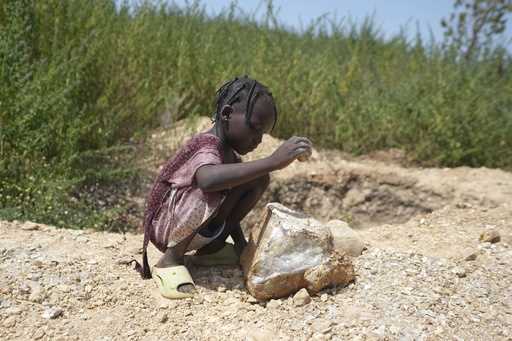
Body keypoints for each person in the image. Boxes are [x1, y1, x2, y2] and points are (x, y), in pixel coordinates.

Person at [132, 76, 312, 299]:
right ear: (227, 115)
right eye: (255, 129)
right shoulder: (205, 145)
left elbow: (232, 192)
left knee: (256, 178)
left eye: (262, 135)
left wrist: (241, 246)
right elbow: (208, 180)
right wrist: (273, 161)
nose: (258, 140)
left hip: (193, 228)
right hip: (165, 228)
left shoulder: (230, 155)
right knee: (214, 186)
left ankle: (211, 249)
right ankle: (170, 261)